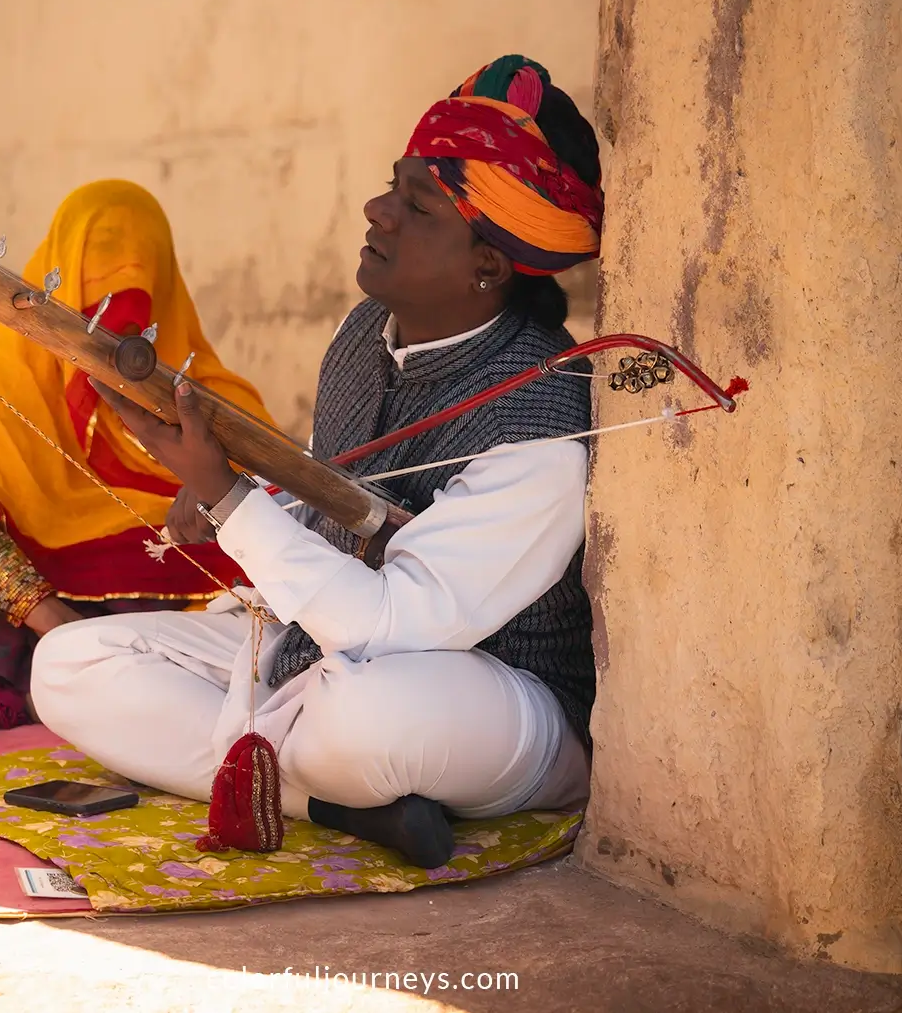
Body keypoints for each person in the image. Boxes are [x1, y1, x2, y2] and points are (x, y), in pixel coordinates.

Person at [30, 55, 602, 867]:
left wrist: (233, 502)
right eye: (391, 184)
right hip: (325, 656)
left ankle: (300, 774)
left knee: (367, 719)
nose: (378, 209)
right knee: (69, 662)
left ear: (489, 263)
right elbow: (337, 493)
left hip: (481, 695)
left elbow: (399, 623)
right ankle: (332, 804)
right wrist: (252, 496)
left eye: (418, 204)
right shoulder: (364, 334)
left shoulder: (542, 417)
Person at [0, 180, 274, 742]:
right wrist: (47, 617)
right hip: (32, 607)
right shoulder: (13, 374)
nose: (113, 321)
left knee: (252, 596)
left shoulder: (208, 393)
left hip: (160, 607)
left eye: (130, 287)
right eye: (96, 283)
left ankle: (108, 682)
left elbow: (272, 516)